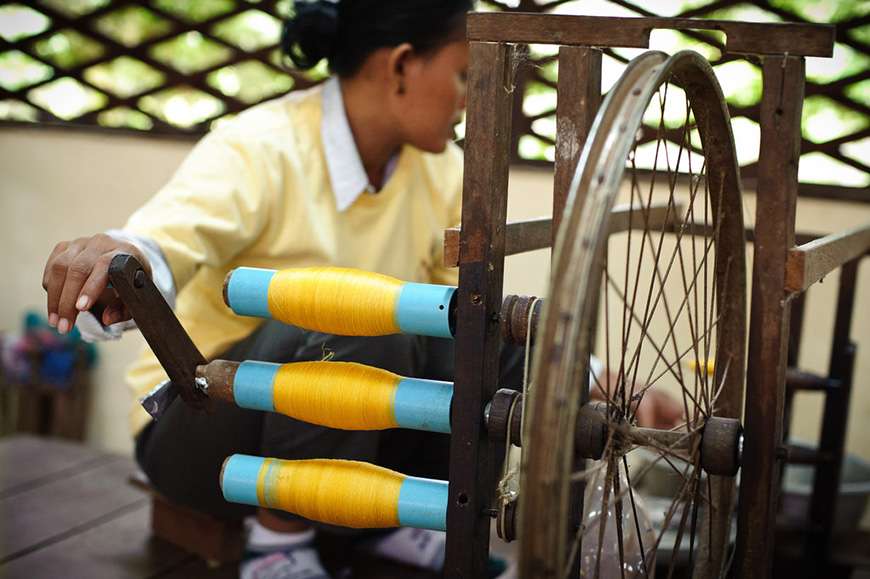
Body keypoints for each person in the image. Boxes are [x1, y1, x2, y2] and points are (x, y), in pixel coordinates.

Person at [41, 2, 681, 577]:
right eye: (462, 76)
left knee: (486, 336)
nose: (469, 100)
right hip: (205, 433)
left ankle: (387, 521)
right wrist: (121, 264)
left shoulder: (442, 169)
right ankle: (277, 545)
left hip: (352, 436)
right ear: (401, 66)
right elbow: (162, 242)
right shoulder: (260, 147)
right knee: (349, 318)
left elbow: (468, 328)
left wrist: (592, 379)